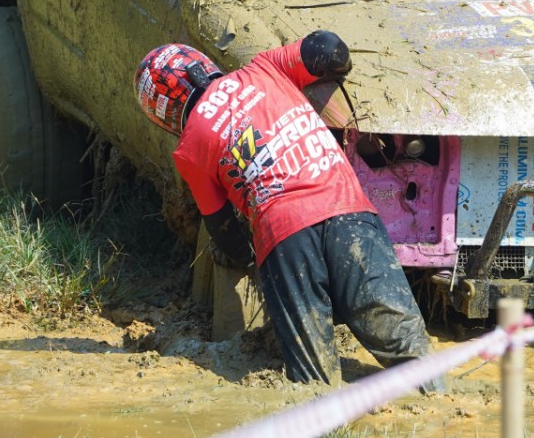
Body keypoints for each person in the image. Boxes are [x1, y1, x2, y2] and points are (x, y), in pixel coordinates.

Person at [136, 33, 437, 387]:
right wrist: (340, 69)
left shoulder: (189, 149)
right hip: (350, 211)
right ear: (205, 64)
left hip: (284, 237)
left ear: (164, 115)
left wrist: (256, 268)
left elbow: (224, 233)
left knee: (313, 381)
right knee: (410, 352)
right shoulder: (266, 67)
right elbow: (329, 47)